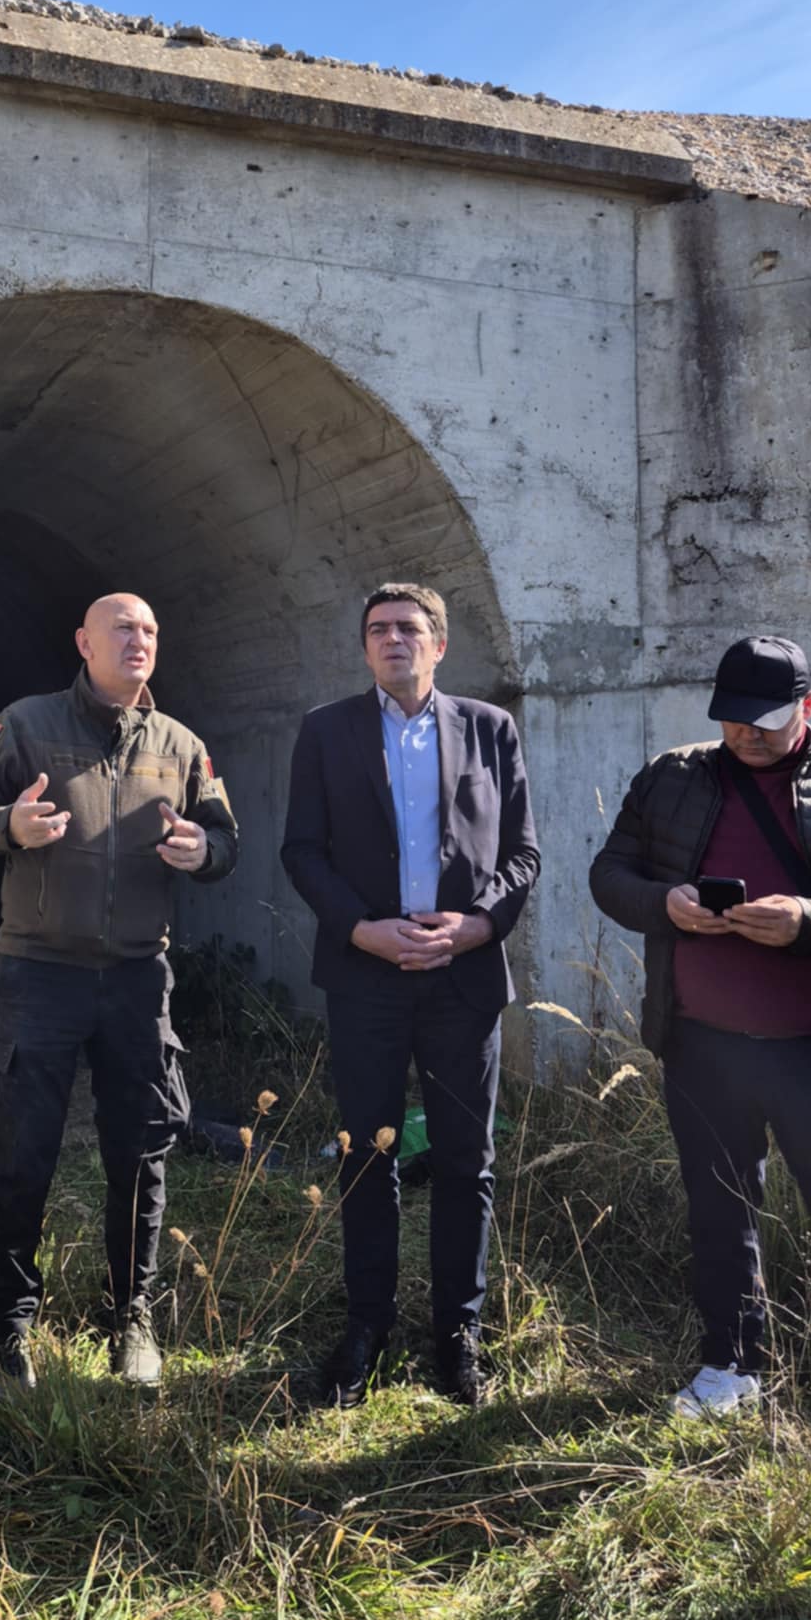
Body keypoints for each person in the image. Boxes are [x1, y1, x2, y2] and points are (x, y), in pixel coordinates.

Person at [0, 593, 238, 1388]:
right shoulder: (27, 724)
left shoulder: (180, 743)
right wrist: (8, 826)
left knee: (141, 1154)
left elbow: (225, 837)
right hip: (39, 970)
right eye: (123, 628)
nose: (140, 640)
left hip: (139, 977)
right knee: (23, 1150)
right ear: (84, 642)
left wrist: (203, 850)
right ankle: (6, 1327)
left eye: (150, 630)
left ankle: (131, 1316)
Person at [281, 582, 540, 1407]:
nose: (392, 639)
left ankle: (458, 1332)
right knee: (367, 1154)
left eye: (408, 628)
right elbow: (302, 850)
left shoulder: (489, 729)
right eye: (377, 629)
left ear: (439, 644)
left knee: (466, 1160)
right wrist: (361, 929)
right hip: (368, 977)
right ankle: (368, 1324)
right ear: (364, 647)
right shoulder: (326, 731)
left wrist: (477, 926)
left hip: (463, 979)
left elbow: (523, 854)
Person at [590, 634, 811, 1418]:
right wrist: (667, 903)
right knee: (719, 1210)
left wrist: (804, 921)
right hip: (702, 1043)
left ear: (807, 707)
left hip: (804, 1046)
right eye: (733, 716)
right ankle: (730, 1364)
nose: (748, 732)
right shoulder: (673, 777)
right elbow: (609, 874)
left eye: (767, 719)